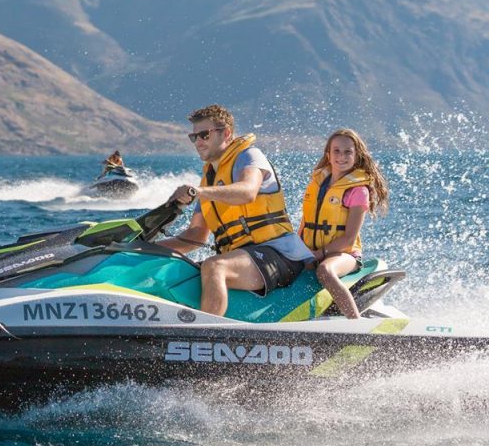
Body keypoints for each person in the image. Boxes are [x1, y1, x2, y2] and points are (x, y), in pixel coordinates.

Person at [159, 104, 314, 316]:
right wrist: (144, 248)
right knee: (184, 274)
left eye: (204, 134)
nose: (199, 142)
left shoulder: (249, 156)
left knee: (215, 267)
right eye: (194, 137)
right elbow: (195, 236)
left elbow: (248, 191)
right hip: (245, 259)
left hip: (280, 255)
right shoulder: (209, 179)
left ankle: (205, 338)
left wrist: (200, 191)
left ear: (226, 133)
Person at [299, 129, 389, 318]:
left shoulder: (358, 191)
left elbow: (349, 239)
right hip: (313, 251)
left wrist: (319, 254)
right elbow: (304, 225)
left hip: (344, 254)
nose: (342, 156)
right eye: (337, 151)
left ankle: (354, 324)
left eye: (348, 152)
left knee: (325, 270)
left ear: (356, 156)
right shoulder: (317, 184)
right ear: (328, 155)